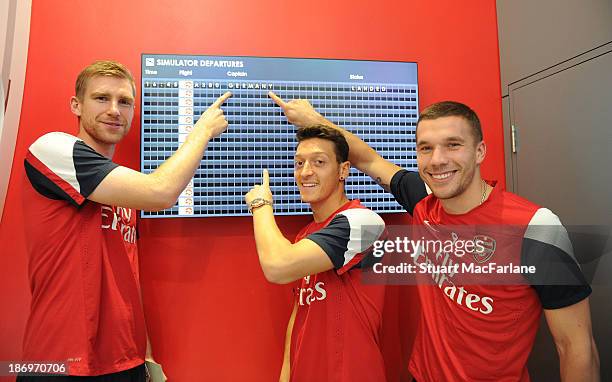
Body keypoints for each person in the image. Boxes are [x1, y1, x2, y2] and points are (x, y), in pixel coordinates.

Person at [268, 93, 600, 381]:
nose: (437, 159)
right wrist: (316, 121)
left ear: (480, 151)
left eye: (452, 145)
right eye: (426, 148)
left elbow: (576, 348)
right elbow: (368, 159)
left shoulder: (537, 228)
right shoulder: (425, 202)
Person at [20, 60, 231, 381]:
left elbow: (127, 275)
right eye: (102, 98)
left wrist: (144, 356)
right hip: (58, 362)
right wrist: (201, 131)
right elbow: (161, 191)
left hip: (125, 363)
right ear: (76, 105)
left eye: (125, 102)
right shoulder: (52, 148)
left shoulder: (124, 193)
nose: (115, 110)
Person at [245, 125, 387, 382]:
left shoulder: (364, 222)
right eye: (299, 163)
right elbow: (300, 312)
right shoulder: (305, 236)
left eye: (319, 162)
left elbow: (277, 266)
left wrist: (261, 204)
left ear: (343, 170)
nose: (306, 172)